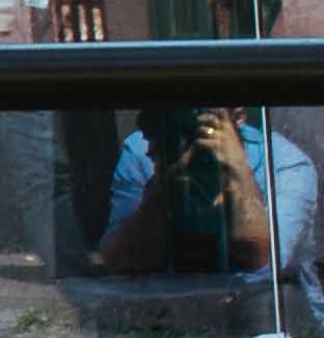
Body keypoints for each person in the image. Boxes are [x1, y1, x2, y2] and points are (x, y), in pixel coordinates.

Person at [102, 110, 324, 285]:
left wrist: (238, 172)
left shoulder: (284, 166)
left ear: (238, 117)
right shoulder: (143, 152)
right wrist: (163, 186)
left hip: (272, 322)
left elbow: (264, 264)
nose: (193, 133)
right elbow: (119, 263)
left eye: (204, 118)